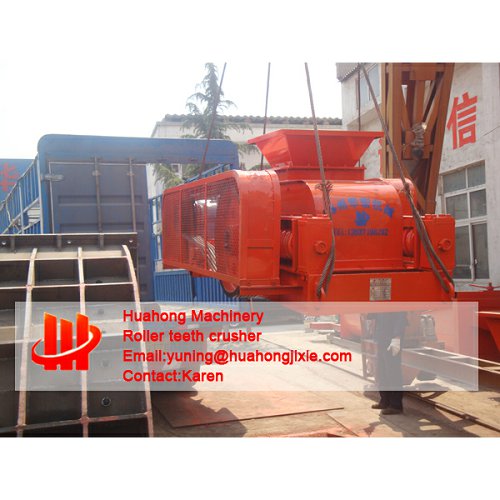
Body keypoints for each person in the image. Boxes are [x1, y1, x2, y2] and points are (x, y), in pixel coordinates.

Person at [367, 311, 408, 415]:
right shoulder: (381, 302)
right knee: (382, 372)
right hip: (381, 338)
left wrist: (397, 337)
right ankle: (385, 401)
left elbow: (401, 317)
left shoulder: (397, 302)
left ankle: (396, 405)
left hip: (391, 339)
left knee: (393, 372)